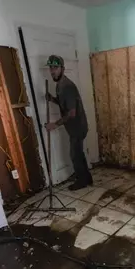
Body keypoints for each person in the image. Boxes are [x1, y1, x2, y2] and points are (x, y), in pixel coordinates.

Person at [45, 55, 93, 191]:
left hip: (78, 127)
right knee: (78, 153)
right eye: (50, 68)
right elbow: (64, 104)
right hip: (74, 127)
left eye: (55, 67)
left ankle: (82, 181)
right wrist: (52, 99)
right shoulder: (59, 86)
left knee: (74, 155)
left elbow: (71, 113)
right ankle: (87, 178)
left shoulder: (67, 86)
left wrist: (55, 124)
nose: (52, 71)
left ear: (62, 68)